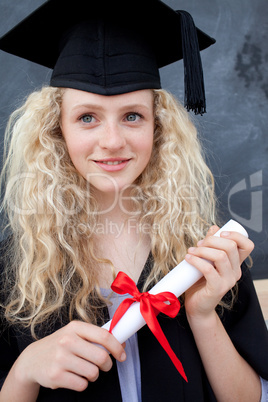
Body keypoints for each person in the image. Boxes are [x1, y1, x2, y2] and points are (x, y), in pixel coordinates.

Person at [0, 1, 267, 401]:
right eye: (87, 117)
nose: (112, 141)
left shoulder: (202, 252)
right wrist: (24, 372)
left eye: (132, 116)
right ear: (57, 132)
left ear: (159, 128)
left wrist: (202, 314)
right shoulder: (18, 267)